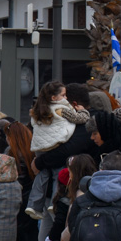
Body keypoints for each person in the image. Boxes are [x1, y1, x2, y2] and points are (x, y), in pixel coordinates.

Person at [25, 82, 90, 219]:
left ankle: (33, 204)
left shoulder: (38, 110)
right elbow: (80, 119)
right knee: (57, 174)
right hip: (54, 144)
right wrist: (82, 110)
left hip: (39, 147)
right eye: (63, 95)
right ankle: (54, 202)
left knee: (42, 175)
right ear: (54, 98)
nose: (66, 98)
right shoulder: (60, 109)